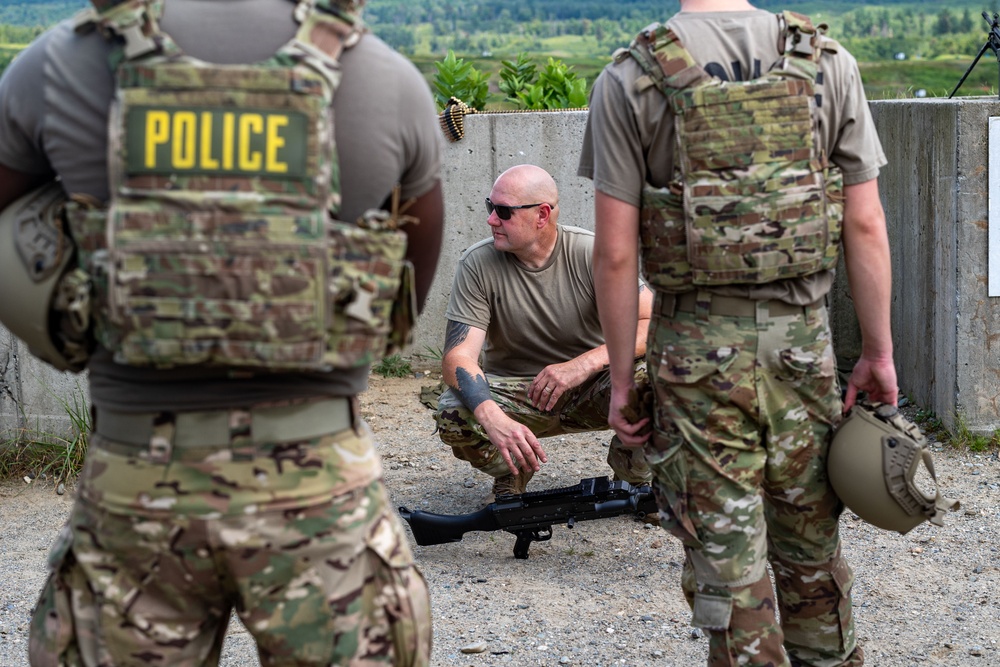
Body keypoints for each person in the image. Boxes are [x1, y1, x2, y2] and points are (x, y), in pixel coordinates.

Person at [0, 0, 443, 665]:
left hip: (135, 484)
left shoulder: (61, 62)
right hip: (320, 482)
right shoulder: (384, 76)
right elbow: (407, 278)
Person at [582, 1, 898, 665]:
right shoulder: (828, 62)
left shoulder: (629, 77)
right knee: (811, 553)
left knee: (730, 569)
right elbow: (865, 224)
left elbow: (613, 255)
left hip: (694, 363)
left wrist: (619, 381)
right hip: (801, 352)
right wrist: (877, 351)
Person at [434, 164, 654, 501]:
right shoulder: (477, 264)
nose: (492, 220)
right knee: (453, 409)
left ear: (542, 215)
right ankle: (514, 467)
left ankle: (633, 478)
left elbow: (652, 323)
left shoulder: (592, 254)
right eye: (490, 207)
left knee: (660, 375)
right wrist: (492, 417)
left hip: (593, 389)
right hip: (522, 397)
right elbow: (458, 357)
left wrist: (582, 365)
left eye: (504, 212)